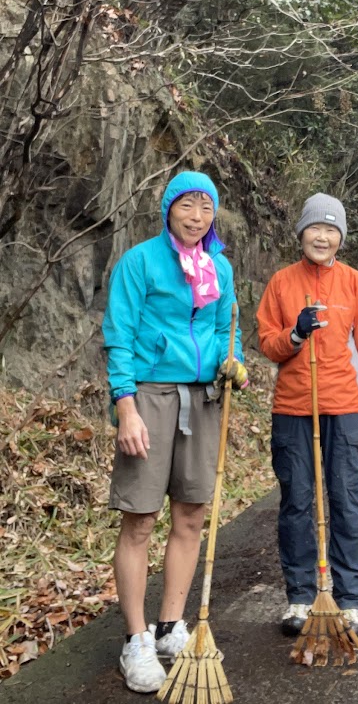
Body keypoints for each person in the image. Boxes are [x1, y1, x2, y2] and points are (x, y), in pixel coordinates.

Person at [102, 170, 247, 694]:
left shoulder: (219, 267)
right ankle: (136, 639)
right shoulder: (140, 262)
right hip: (149, 395)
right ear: (168, 209)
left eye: (206, 208)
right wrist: (127, 407)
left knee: (191, 513)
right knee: (140, 519)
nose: (196, 217)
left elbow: (222, 330)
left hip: (204, 396)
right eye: (187, 205)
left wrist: (235, 361)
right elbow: (119, 335)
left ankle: (169, 626)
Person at [256, 193, 358, 640]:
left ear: (340, 237)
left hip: (345, 406)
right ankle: (301, 596)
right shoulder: (281, 282)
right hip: (293, 406)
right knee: (297, 502)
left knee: (346, 501)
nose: (322, 236)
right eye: (315, 228)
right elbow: (268, 342)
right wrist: (295, 334)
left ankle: (349, 600)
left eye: (331, 230)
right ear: (301, 233)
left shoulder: (354, 283)